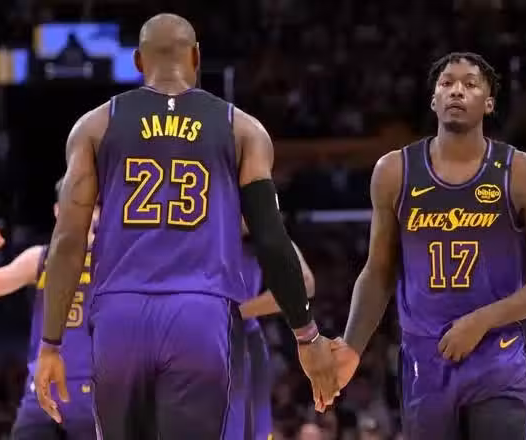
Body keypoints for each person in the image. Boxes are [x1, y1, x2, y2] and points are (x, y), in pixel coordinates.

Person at [33, 13, 337, 440]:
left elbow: (67, 241)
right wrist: (307, 335)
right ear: (196, 57)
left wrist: (51, 344)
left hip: (119, 314)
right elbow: (271, 239)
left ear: (138, 62)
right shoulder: (243, 129)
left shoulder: (95, 125)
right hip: (200, 314)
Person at [328, 52, 526, 439]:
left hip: (497, 356)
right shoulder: (395, 172)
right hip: (424, 361)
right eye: (447, 83)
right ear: (433, 100)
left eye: (470, 84)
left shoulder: (522, 173)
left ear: (489, 103)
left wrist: (481, 321)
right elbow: (378, 271)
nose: (456, 91)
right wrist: (351, 347)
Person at [0, 178, 99, 440]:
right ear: (57, 210)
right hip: (41, 396)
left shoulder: (115, 260)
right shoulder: (41, 258)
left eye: (91, 205)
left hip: (95, 397)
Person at [239, 219, 315, 440]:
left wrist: (238, 312)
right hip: (196, 337)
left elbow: (304, 283)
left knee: (256, 429)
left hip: (244, 340)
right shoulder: (204, 230)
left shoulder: (264, 230)